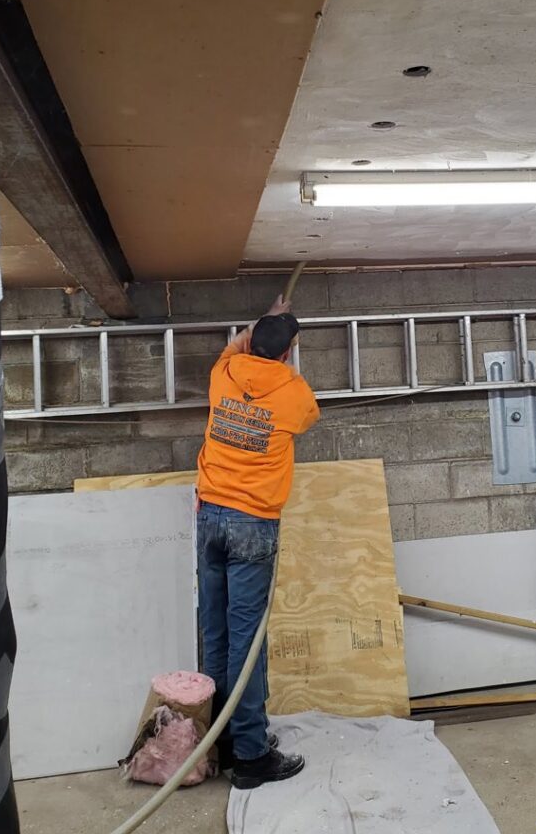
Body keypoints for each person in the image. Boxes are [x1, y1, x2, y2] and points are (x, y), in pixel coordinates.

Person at [196, 294, 320, 789]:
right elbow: (308, 415)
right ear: (289, 354)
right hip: (252, 524)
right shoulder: (295, 395)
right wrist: (280, 340)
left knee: (216, 634)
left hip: (210, 517)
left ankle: (222, 740)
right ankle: (249, 757)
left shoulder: (222, 376)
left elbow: (236, 350)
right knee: (246, 643)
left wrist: (264, 321)